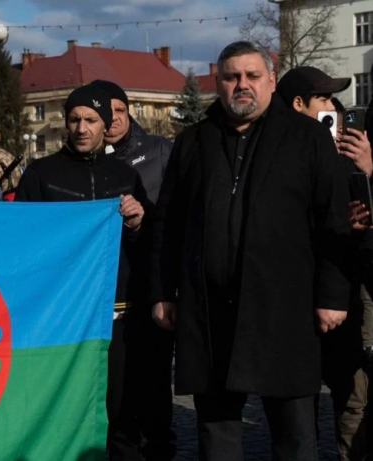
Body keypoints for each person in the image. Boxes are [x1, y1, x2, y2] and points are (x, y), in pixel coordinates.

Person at [151, 41, 352, 460]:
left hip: (286, 310)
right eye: (231, 77)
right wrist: (163, 292)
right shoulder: (193, 141)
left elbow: (333, 221)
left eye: (252, 76)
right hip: (210, 313)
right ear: (219, 83)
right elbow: (168, 224)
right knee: (216, 436)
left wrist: (332, 296)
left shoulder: (308, 136)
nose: (242, 85)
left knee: (294, 436)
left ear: (271, 80)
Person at [15, 84, 146, 461]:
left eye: (91, 120)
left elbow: (145, 246)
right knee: (62, 411)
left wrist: (137, 223)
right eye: (74, 119)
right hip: (61, 319)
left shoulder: (124, 175)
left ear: (107, 125)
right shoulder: (41, 174)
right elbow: (24, 243)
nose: (81, 127)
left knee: (121, 413)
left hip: (115, 315)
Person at [276, 67, 369, 460]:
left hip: (347, 289)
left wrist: (366, 172)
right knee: (297, 399)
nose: (335, 109)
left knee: (353, 395)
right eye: (325, 101)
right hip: (294, 293)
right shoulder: (274, 154)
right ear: (298, 105)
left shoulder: (347, 151)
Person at [89, 79, 175, 461]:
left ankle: (160, 446)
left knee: (154, 378)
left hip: (152, 279)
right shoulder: (88, 161)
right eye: (104, 114)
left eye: (119, 111)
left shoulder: (160, 151)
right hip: (107, 285)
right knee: (114, 383)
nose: (112, 120)